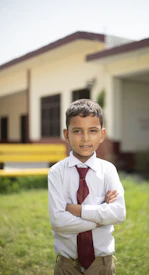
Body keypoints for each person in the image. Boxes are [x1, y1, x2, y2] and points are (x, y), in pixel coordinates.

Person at [48, 99, 126, 275]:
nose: (85, 138)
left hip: (102, 263)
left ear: (102, 134)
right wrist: (100, 218)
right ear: (66, 134)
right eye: (77, 131)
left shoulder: (108, 170)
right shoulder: (56, 172)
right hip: (67, 265)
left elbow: (119, 213)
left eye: (93, 131)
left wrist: (77, 210)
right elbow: (58, 222)